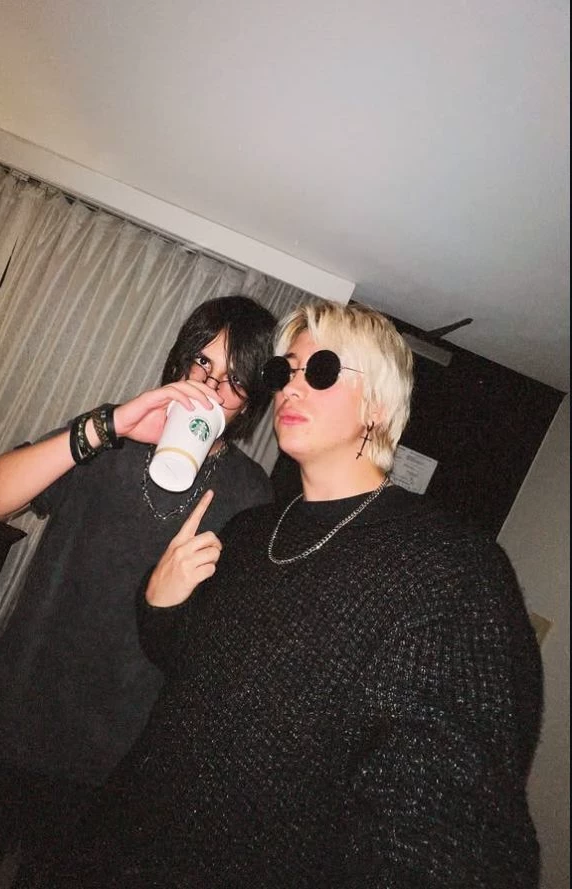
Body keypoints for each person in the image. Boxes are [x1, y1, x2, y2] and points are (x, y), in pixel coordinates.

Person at [59, 299, 543, 888]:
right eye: (283, 372)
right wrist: (160, 602)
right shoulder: (251, 529)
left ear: (379, 405)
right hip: (121, 843)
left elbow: (451, 831)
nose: (290, 387)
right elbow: (187, 669)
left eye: (321, 370)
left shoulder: (451, 569)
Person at [0, 295, 278, 886]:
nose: (212, 388)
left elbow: (223, 643)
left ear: (251, 403)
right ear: (179, 362)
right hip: (19, 707)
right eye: (203, 363)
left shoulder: (250, 493)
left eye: (235, 380)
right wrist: (107, 427)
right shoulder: (106, 437)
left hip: (117, 747)